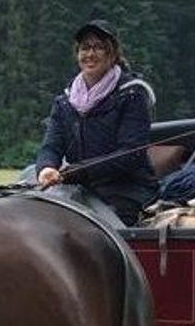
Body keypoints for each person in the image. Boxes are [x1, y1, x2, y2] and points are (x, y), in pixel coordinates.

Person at [34, 20, 158, 225]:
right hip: (78, 188)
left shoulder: (133, 94)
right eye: (85, 48)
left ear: (112, 54)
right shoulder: (65, 101)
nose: (90, 54)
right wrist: (46, 168)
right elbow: (51, 145)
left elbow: (130, 154)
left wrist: (76, 172)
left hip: (127, 191)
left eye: (98, 47)